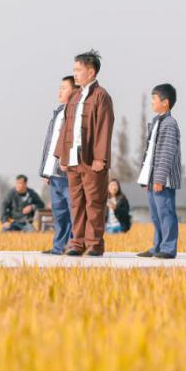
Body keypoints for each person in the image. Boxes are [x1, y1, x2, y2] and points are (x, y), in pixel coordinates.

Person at [55, 50, 114, 257]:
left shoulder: (101, 96)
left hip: (91, 160)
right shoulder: (75, 96)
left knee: (94, 202)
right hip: (73, 159)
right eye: (74, 70)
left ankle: (94, 243)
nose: (75, 74)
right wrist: (62, 155)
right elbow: (66, 127)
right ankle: (77, 243)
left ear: (91, 72)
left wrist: (100, 158)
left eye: (78, 70)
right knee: (76, 203)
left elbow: (104, 128)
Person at [136, 84, 182, 259]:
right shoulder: (156, 121)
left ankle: (168, 248)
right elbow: (150, 153)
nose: (152, 102)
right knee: (156, 215)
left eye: (154, 99)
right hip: (152, 177)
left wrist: (159, 178)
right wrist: (145, 178)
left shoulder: (170, 124)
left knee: (165, 213)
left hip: (163, 180)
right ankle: (158, 246)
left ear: (165, 102)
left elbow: (166, 152)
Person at [39, 75, 78, 254]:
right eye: (59, 88)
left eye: (64, 88)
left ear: (75, 90)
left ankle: (73, 245)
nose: (59, 91)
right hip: (54, 173)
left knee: (72, 211)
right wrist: (46, 171)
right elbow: (50, 144)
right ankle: (58, 246)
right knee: (59, 212)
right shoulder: (58, 113)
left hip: (67, 172)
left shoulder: (76, 113)